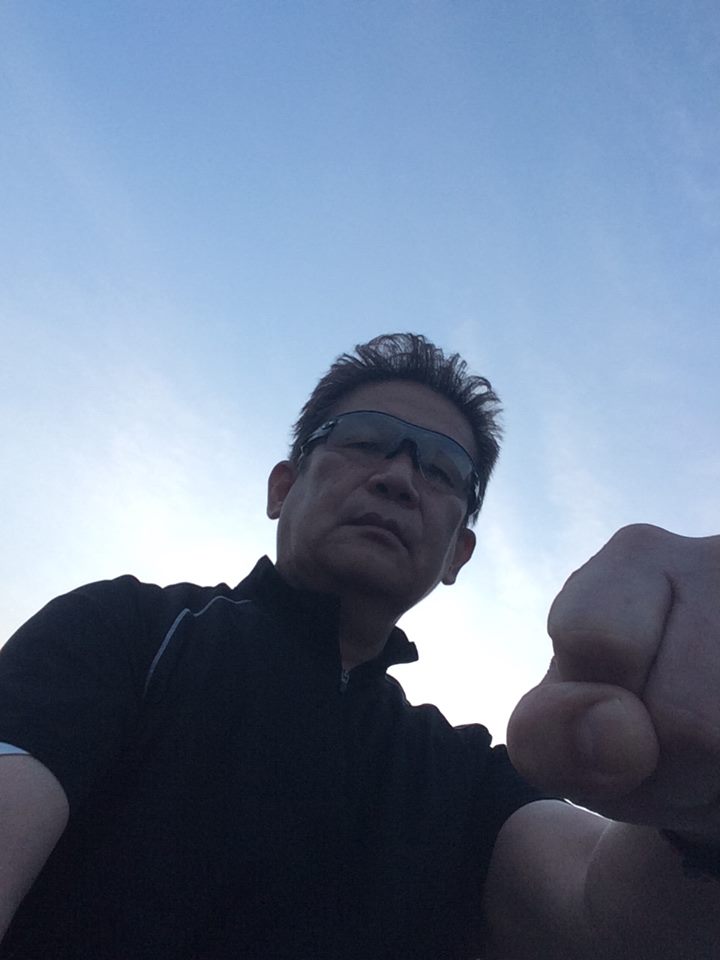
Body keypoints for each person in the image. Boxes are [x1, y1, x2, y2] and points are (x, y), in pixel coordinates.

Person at [0, 333, 718, 959]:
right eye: (365, 439)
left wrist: (701, 821)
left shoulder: (464, 777)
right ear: (283, 488)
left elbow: (603, 917)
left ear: (457, 554)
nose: (398, 478)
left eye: (442, 471)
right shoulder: (128, 631)